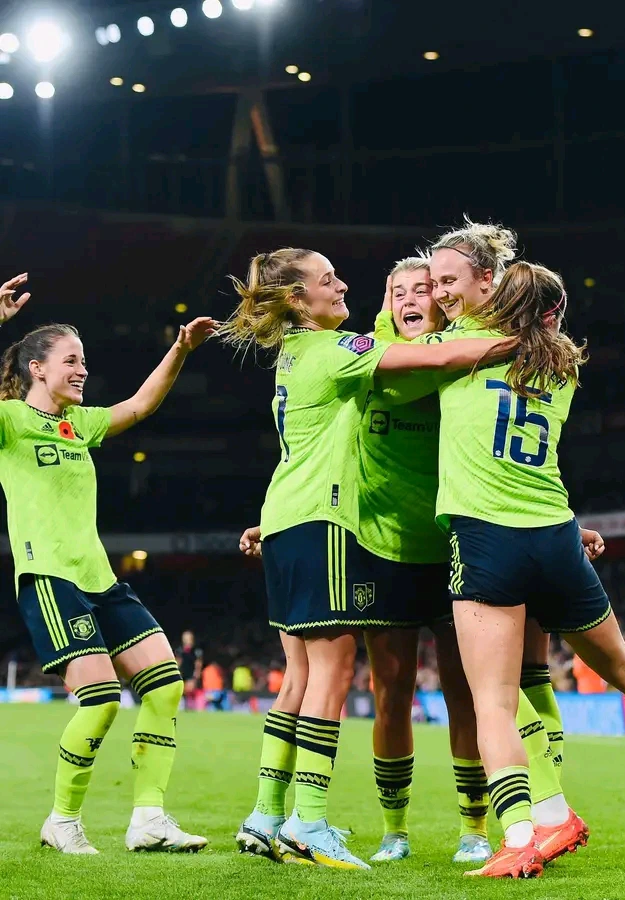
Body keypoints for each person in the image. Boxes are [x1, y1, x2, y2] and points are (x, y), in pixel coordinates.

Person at [408, 260, 625, 878]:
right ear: (553, 313)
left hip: (488, 537)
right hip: (555, 535)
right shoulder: (563, 367)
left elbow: (405, 349)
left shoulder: (462, 353)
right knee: (623, 663)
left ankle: (523, 835)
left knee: (493, 700)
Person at [223, 247, 515, 870]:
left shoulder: (299, 352)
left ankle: (268, 815)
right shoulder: (345, 353)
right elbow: (434, 357)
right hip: (338, 528)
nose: (342, 285)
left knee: (303, 677)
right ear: (298, 298)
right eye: (328, 280)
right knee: (332, 675)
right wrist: (515, 340)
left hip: (311, 519)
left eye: (422, 289)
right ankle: (310, 822)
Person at [367, 252, 599, 867]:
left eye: (430, 287)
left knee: (489, 691)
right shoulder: (379, 359)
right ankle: (397, 829)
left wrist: (569, 525)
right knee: (396, 692)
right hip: (393, 544)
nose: (417, 298)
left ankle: (501, 826)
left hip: (477, 540)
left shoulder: (474, 348)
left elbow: (518, 453)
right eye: (399, 292)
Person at [0, 277, 215, 854]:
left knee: (166, 685)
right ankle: (62, 821)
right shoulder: (9, 421)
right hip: (50, 577)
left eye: (84, 361)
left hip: (100, 578)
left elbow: (139, 405)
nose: (82, 370)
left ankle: (149, 820)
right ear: (36, 369)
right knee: (99, 699)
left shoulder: (79, 425)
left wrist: (180, 349)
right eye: (71, 361)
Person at [429, 219, 568, 775]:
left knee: (499, 690)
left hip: (486, 528)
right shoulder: (552, 358)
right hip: (539, 524)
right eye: (428, 285)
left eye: (446, 282)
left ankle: (545, 805)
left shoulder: (459, 345)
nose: (436, 294)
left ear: (489, 280)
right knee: (528, 677)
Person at [175, 630, 203, 710]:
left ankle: (192, 706)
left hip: (191, 674)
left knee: (189, 689)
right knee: (181, 690)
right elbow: (178, 661)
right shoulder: (180, 650)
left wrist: (197, 673)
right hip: (182, 673)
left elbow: (198, 663)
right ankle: (182, 706)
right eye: (185, 639)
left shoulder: (197, 651)